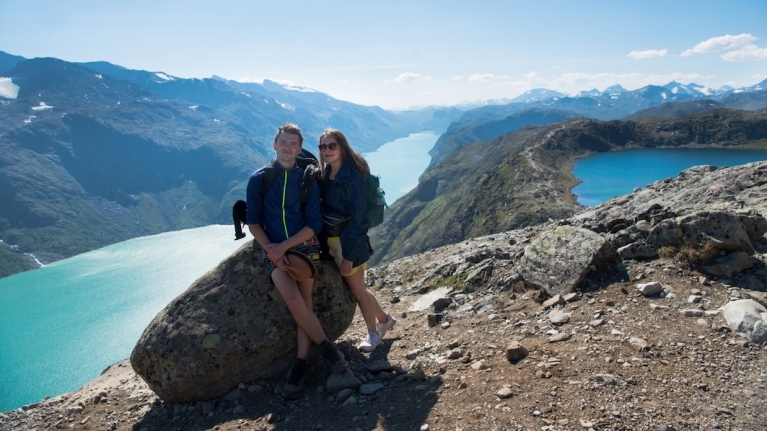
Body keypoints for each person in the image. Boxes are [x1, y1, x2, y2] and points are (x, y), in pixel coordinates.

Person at [246, 123, 347, 400]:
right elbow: (253, 221)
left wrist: (283, 247)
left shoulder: (307, 180)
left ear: (299, 148)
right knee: (294, 301)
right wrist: (272, 250)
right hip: (273, 250)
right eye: (283, 142)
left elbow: (314, 224)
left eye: (293, 144)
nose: (287, 147)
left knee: (305, 303)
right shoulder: (259, 179)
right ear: (274, 145)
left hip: (303, 245)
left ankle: (300, 364)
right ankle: (329, 350)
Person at [317, 129, 396, 352]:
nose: (327, 150)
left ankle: (373, 334)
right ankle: (385, 320)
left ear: (342, 147)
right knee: (359, 288)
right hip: (332, 241)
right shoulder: (326, 174)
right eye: (323, 147)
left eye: (332, 146)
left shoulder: (353, 178)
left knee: (358, 292)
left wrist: (349, 256)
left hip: (349, 243)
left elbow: (359, 221)